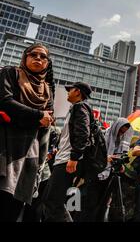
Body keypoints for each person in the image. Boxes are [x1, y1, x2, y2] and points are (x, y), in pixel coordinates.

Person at [0, 43, 55, 222]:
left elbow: (48, 120)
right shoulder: (11, 72)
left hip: (30, 150)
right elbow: (5, 101)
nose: (38, 58)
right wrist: (37, 115)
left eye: (43, 57)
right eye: (33, 55)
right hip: (6, 144)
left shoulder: (46, 89)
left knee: (17, 201)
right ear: (25, 57)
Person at [43, 82, 92, 222]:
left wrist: (74, 157)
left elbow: (83, 134)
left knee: (53, 202)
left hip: (67, 161)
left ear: (77, 92)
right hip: (64, 159)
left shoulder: (80, 107)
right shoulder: (75, 108)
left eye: (70, 90)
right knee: (49, 200)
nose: (68, 93)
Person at [81, 117, 133, 222]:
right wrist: (106, 158)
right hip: (97, 174)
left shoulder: (120, 140)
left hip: (109, 174)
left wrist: (119, 164)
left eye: (123, 132)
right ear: (116, 128)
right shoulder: (104, 135)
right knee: (91, 202)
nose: (121, 134)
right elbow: (93, 155)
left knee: (104, 202)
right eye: (120, 131)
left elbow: (118, 155)